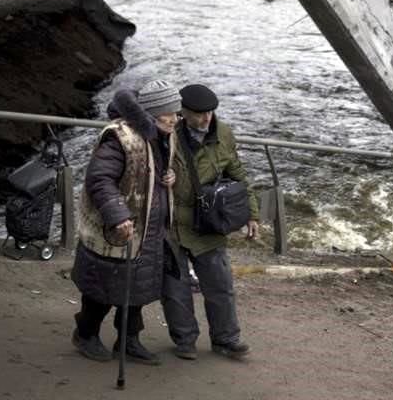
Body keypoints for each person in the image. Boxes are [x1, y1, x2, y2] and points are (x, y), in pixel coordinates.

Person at [70, 79, 180, 365]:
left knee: (139, 289)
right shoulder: (120, 137)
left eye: (177, 112)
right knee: (103, 288)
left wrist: (170, 177)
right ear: (154, 112)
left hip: (150, 229)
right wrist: (118, 215)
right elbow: (100, 178)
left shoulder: (165, 133)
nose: (176, 118)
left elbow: (154, 170)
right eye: (171, 112)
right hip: (119, 228)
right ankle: (85, 334)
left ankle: (129, 340)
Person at [161, 83, 259, 361]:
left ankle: (226, 339)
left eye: (211, 113)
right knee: (175, 288)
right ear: (183, 112)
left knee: (220, 284)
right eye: (199, 114)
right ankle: (185, 340)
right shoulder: (167, 134)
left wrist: (251, 214)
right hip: (172, 222)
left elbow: (239, 175)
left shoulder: (224, 133)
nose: (207, 119)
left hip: (209, 221)